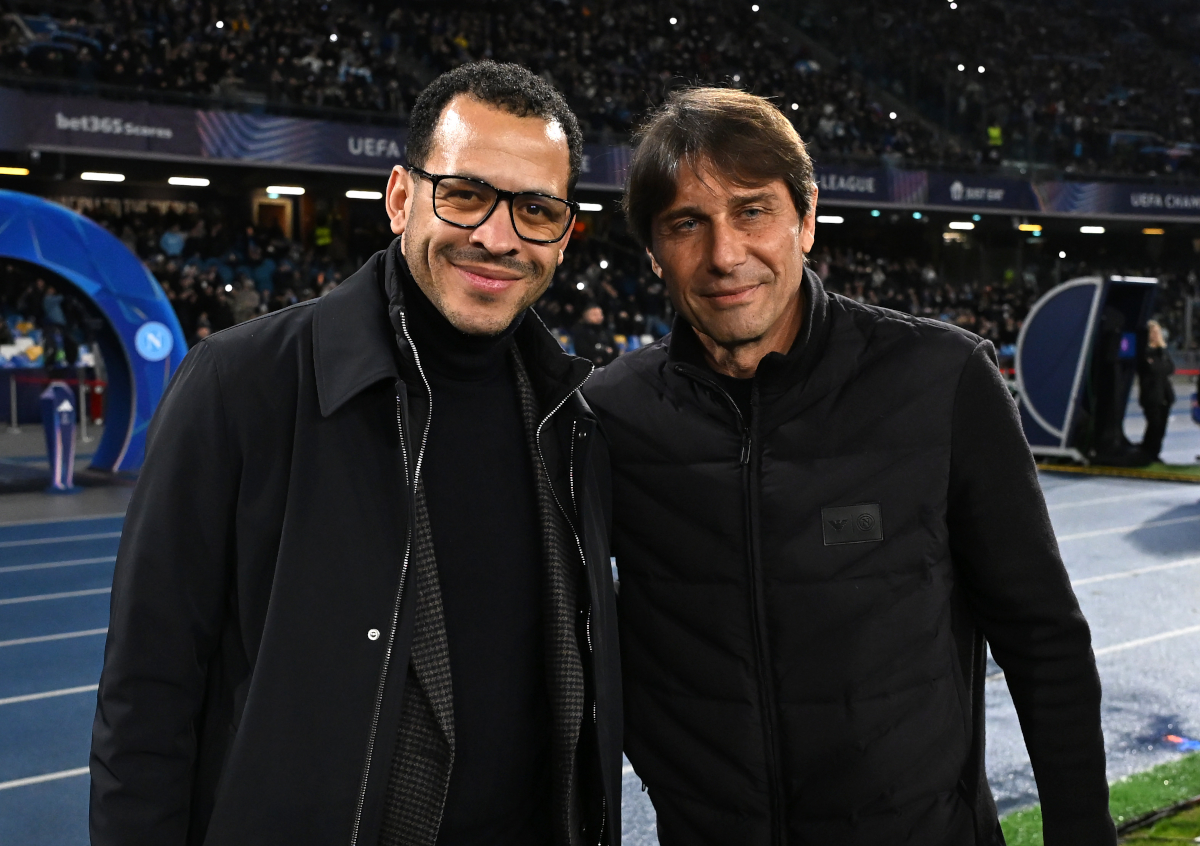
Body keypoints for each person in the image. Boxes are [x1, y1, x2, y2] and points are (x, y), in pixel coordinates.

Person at [91, 61, 621, 846]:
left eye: (535, 209)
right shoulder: (239, 384)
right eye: (465, 194)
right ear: (401, 197)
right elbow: (148, 693)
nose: (497, 237)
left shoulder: (572, 416)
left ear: (565, 235)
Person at [583, 87, 1114, 845]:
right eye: (686, 224)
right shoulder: (611, 415)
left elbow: (1043, 638)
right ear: (653, 251)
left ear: (806, 219)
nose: (725, 255)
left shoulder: (941, 380)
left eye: (753, 211)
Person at [1137, 319, 1175, 464]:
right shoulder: (1144, 352)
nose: (1155, 335)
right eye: (1152, 332)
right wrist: (1160, 367)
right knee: (1154, 425)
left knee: (1161, 427)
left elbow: (1170, 368)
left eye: (1157, 332)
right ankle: (1148, 452)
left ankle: (1155, 453)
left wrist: (1159, 366)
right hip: (1151, 395)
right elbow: (1154, 369)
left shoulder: (1162, 351)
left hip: (1165, 395)